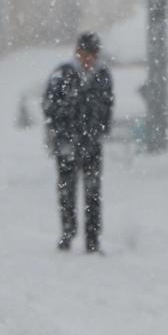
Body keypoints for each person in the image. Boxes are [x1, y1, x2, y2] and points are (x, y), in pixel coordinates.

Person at [42, 32, 113, 254]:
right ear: (77, 53)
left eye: (93, 55)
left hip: (92, 142)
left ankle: (93, 239)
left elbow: (107, 105)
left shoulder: (102, 76)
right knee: (67, 189)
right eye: (85, 54)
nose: (88, 60)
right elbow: (50, 107)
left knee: (93, 191)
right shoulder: (63, 75)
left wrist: (99, 129)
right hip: (67, 142)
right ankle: (67, 233)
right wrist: (63, 128)